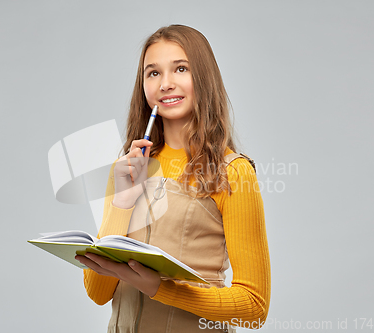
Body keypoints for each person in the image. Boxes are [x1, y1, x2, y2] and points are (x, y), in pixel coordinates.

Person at [75, 25, 270, 332]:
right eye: (153, 73)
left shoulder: (232, 172)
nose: (165, 84)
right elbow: (98, 293)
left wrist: (161, 289)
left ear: (203, 79)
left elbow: (254, 308)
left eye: (180, 69)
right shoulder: (128, 168)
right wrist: (122, 203)